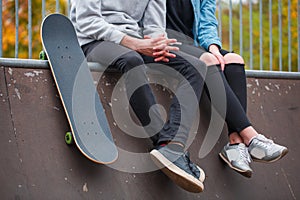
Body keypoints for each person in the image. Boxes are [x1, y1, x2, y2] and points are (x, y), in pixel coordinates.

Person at [70, 0, 207, 193]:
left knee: (196, 67)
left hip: (138, 43)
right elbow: (87, 21)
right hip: (94, 41)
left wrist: (158, 44)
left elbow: (154, 26)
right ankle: (166, 145)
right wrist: (134, 43)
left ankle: (174, 143)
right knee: (132, 59)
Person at [166, 0, 288, 178]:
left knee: (233, 60)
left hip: (193, 44)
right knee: (209, 60)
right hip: (165, 43)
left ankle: (235, 143)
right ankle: (251, 137)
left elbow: (207, 22)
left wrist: (213, 48)